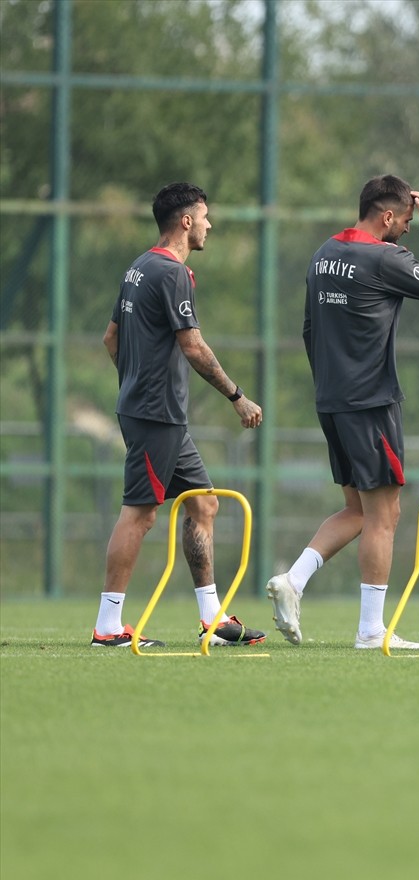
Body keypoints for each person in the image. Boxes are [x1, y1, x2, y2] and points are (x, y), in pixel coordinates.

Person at [266, 175, 419, 650]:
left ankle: (293, 580)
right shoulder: (384, 257)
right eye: (407, 221)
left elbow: (308, 330)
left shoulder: (323, 254)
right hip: (371, 403)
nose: (409, 229)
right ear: (387, 216)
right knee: (384, 513)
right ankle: (371, 631)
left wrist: (330, 385)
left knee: (357, 509)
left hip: (331, 400)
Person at [93, 182, 265, 648]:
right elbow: (193, 345)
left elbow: (110, 338)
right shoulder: (171, 272)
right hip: (155, 414)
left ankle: (213, 620)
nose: (210, 225)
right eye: (205, 217)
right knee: (140, 514)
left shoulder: (139, 266)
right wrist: (237, 396)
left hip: (156, 413)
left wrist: (134, 380)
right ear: (187, 222)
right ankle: (107, 627)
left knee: (204, 504)